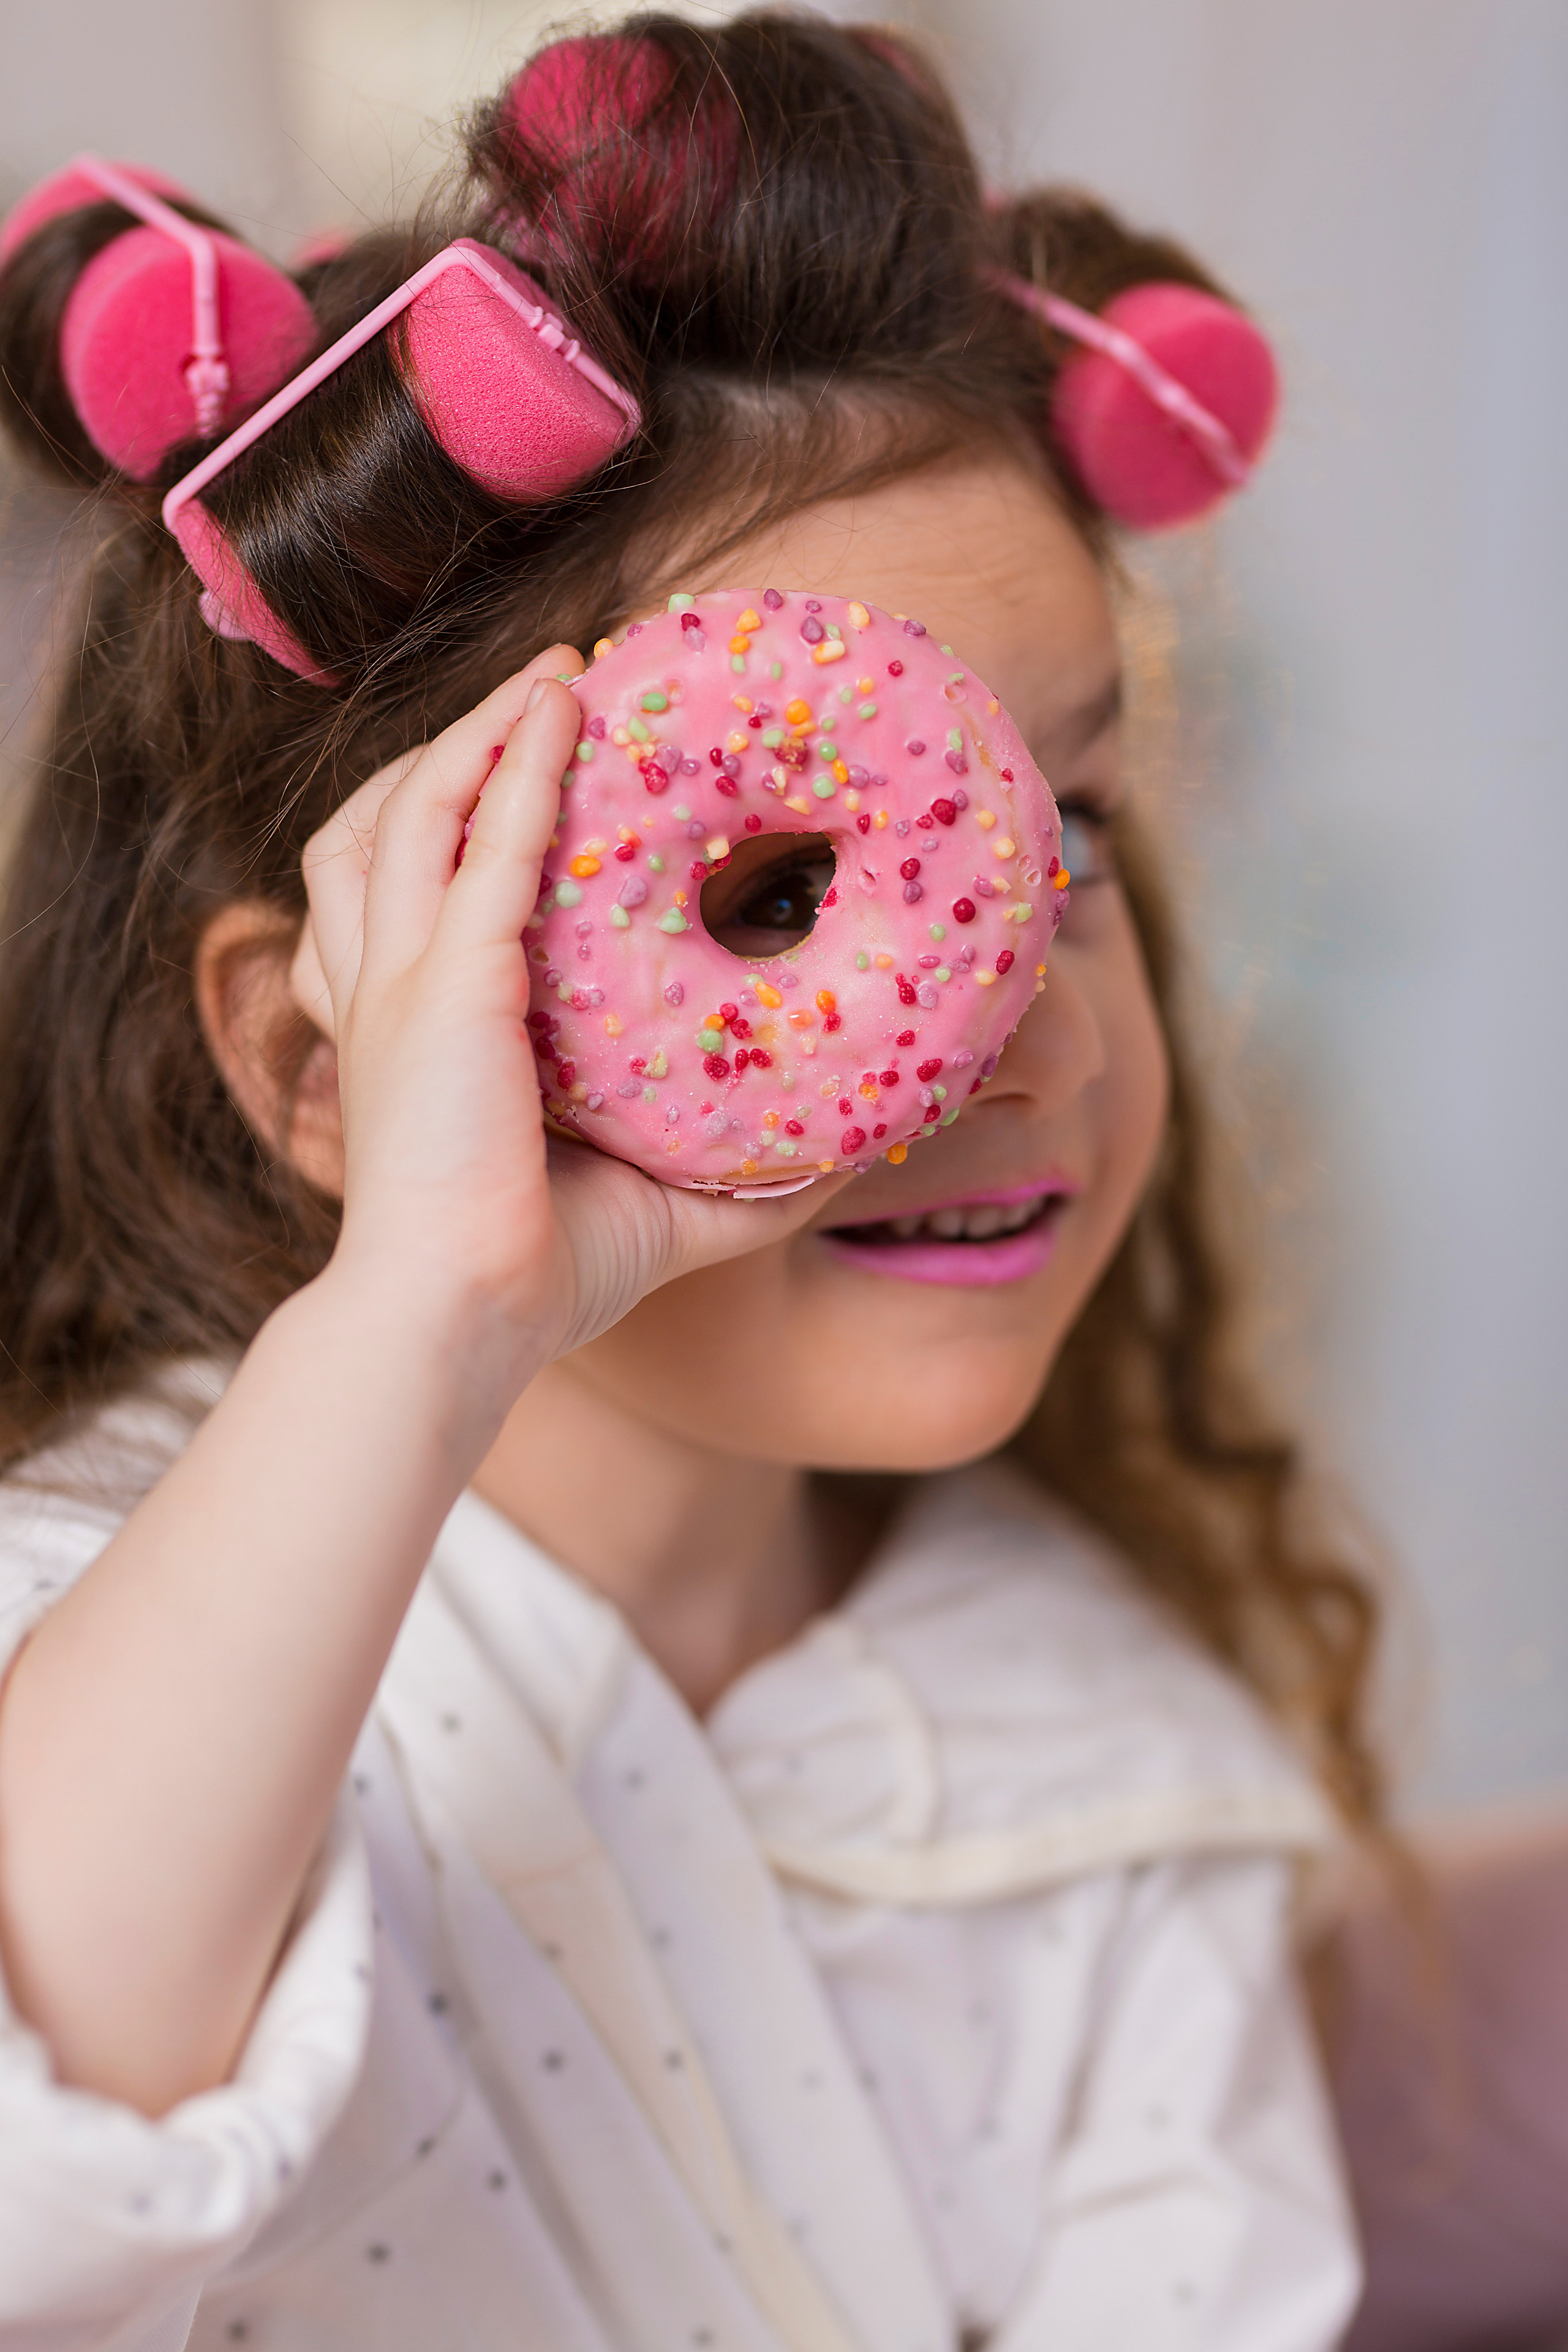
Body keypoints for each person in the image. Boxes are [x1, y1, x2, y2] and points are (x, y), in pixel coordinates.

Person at [0, 16, 1386, 2348]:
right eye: (775, 895)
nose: (1018, 1023)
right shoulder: (107, 1645)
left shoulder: (1111, 1755)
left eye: (1078, 847)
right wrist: (431, 1314)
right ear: (318, 1057)